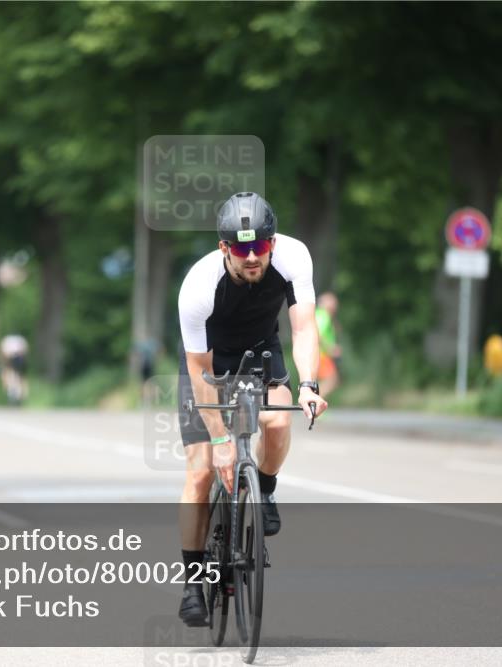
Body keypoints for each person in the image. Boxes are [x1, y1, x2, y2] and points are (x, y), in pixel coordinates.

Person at [176, 191, 329, 626]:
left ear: (272, 243)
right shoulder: (198, 287)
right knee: (202, 470)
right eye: (241, 249)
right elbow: (199, 371)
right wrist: (222, 439)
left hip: (262, 350)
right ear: (224, 248)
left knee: (279, 422)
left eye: (259, 247)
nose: (251, 257)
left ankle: (263, 490)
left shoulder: (294, 258)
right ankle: (193, 584)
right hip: (208, 361)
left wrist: (309, 385)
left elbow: (303, 328)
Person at [315, 292, 343, 397]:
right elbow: (318, 334)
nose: (335, 305)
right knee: (332, 380)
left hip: (319, 354)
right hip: (321, 354)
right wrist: (331, 349)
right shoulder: (323, 315)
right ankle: (315, 401)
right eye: (332, 302)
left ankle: (314, 401)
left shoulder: (320, 314)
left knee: (326, 380)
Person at [0, 334, 29, 405]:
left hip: (15, 361)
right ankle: (20, 394)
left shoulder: (7, 340)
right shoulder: (20, 339)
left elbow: (2, 353)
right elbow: (26, 350)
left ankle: (14, 392)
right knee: (20, 377)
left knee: (7, 374)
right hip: (20, 361)